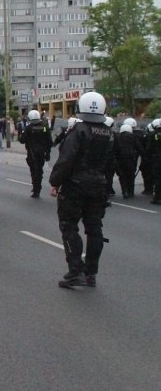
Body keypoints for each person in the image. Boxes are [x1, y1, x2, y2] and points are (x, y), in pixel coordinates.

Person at [48, 92, 113, 288]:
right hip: (98, 185)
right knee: (95, 230)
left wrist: (55, 182)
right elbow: (111, 163)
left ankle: (75, 271)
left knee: (69, 226)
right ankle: (90, 274)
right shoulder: (109, 132)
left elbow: (66, 160)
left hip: (75, 185)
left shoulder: (78, 130)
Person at [18, 110, 52, 198]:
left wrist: (22, 132)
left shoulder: (29, 128)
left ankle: (36, 188)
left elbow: (21, 140)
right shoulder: (44, 127)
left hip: (32, 153)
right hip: (42, 152)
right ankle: (37, 187)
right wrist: (48, 154)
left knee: (34, 171)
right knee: (39, 170)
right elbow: (49, 141)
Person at [113, 123, 143, 199]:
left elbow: (115, 147)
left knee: (122, 175)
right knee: (131, 175)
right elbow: (139, 147)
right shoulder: (133, 137)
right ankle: (131, 191)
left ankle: (124, 191)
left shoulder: (118, 136)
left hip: (120, 158)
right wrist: (143, 155)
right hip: (131, 158)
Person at [147, 119, 161, 205]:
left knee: (158, 178)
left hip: (157, 159)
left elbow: (149, 148)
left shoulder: (154, 134)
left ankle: (157, 197)